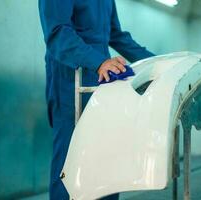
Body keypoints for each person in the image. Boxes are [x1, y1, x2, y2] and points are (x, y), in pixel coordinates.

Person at [38, 0, 155, 199]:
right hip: (70, 76)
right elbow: (57, 32)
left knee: (106, 151)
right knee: (70, 156)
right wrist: (98, 61)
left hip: (102, 76)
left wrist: (158, 61)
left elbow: (115, 34)